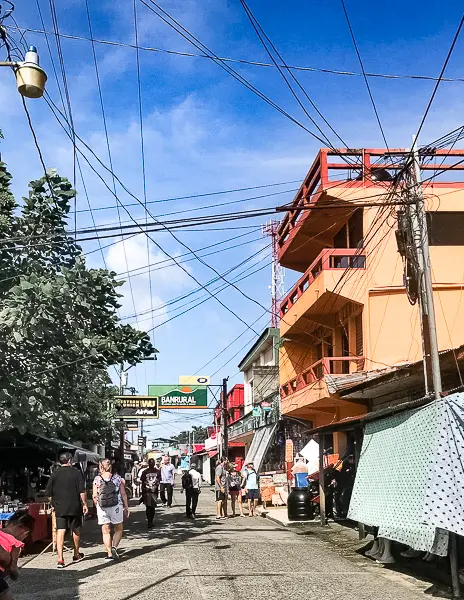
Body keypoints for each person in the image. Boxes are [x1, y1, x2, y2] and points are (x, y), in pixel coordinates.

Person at [46, 452, 89, 568]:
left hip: (60, 506)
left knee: (61, 530)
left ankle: (60, 559)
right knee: (75, 529)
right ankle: (76, 554)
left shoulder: (55, 473)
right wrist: (85, 504)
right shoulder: (76, 472)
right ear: (70, 460)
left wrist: (53, 504)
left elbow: (49, 494)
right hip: (74, 505)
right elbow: (81, 491)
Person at [93, 459, 129, 560]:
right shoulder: (118, 478)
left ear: (100, 467)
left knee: (105, 530)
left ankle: (109, 553)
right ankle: (114, 547)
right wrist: (126, 507)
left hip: (102, 507)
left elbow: (95, 496)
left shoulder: (97, 479)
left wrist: (98, 505)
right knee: (118, 528)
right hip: (116, 506)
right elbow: (123, 494)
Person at [0, 513, 35, 600]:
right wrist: (15, 573)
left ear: (8, 523)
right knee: (6, 594)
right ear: (25, 533)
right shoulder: (16, 543)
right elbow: (13, 569)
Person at [140, 459, 159, 528]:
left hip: (151, 491)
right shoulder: (155, 471)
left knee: (150, 507)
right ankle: (150, 521)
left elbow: (142, 482)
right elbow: (143, 482)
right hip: (149, 491)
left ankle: (150, 521)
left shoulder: (146, 472)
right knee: (151, 507)